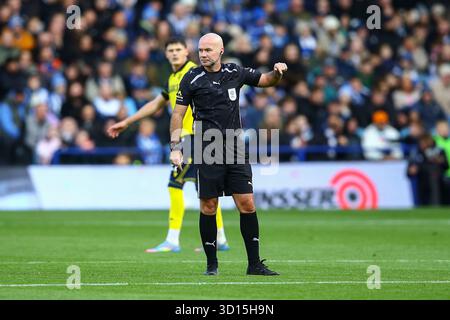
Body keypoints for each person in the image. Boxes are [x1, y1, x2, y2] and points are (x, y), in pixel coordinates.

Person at [169, 33, 287, 276]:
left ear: (221, 50)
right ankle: (212, 265)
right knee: (209, 206)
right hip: (206, 147)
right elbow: (178, 115)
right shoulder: (192, 78)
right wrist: (176, 146)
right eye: (200, 50)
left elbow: (265, 80)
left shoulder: (235, 72)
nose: (203, 54)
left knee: (247, 203)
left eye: (208, 50)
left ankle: (254, 264)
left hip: (234, 147)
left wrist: (277, 73)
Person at [107, 38, 230, 253]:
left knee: (176, 185)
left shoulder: (195, 72)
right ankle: (219, 238)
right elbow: (156, 104)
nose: (174, 53)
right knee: (205, 190)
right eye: (170, 50)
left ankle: (173, 240)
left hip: (195, 137)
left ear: (186, 52)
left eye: (178, 49)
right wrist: (127, 122)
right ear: (166, 54)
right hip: (190, 139)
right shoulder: (174, 78)